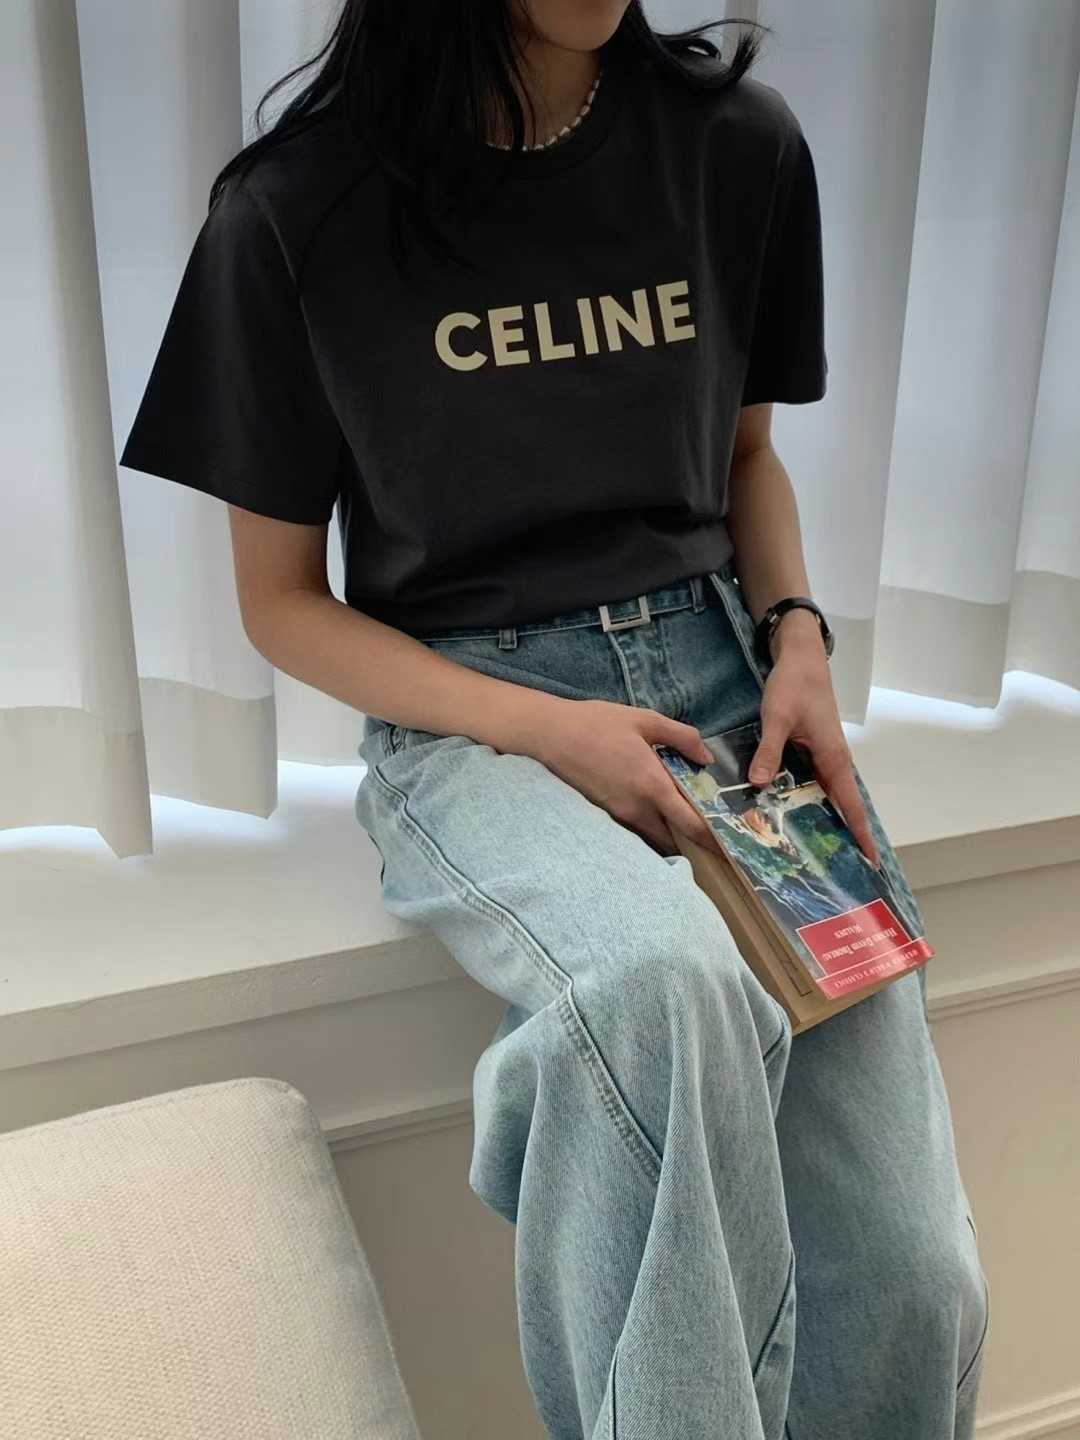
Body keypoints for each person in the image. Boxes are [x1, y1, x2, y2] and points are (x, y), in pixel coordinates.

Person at [119, 2, 989, 1435]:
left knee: (907, 1280)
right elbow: (280, 604)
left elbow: (746, 459)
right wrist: (539, 724)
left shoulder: (734, 145)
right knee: (659, 986)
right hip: (471, 715)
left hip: (727, 687)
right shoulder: (296, 210)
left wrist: (798, 634)